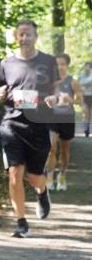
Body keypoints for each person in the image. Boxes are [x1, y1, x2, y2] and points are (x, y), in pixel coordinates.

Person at [0, 19, 60, 238]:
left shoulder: (48, 62)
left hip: (39, 124)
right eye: (21, 34)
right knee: (14, 172)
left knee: (34, 177)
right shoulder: (6, 64)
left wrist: (54, 98)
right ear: (16, 37)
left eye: (28, 34)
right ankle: (21, 222)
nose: (25, 38)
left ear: (36, 36)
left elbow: (57, 91)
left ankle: (42, 191)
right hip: (12, 124)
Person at [47, 53, 82, 190]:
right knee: (51, 148)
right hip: (51, 117)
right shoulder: (49, 82)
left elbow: (79, 100)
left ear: (67, 65)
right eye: (57, 64)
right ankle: (49, 177)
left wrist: (70, 100)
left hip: (67, 118)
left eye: (62, 64)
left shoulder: (73, 82)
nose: (59, 67)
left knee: (65, 150)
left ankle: (62, 175)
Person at [80, 61, 92, 138]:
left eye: (88, 66)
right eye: (85, 66)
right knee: (86, 114)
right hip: (84, 96)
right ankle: (86, 130)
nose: (86, 68)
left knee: (90, 115)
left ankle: (88, 128)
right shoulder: (81, 76)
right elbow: (79, 84)